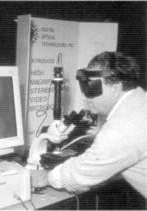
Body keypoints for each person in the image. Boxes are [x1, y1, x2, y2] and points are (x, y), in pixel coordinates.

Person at [30, 51, 147, 198]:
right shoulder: (140, 103)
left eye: (92, 87)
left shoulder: (124, 125)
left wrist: (43, 177)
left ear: (116, 88)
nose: (85, 96)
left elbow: (81, 174)